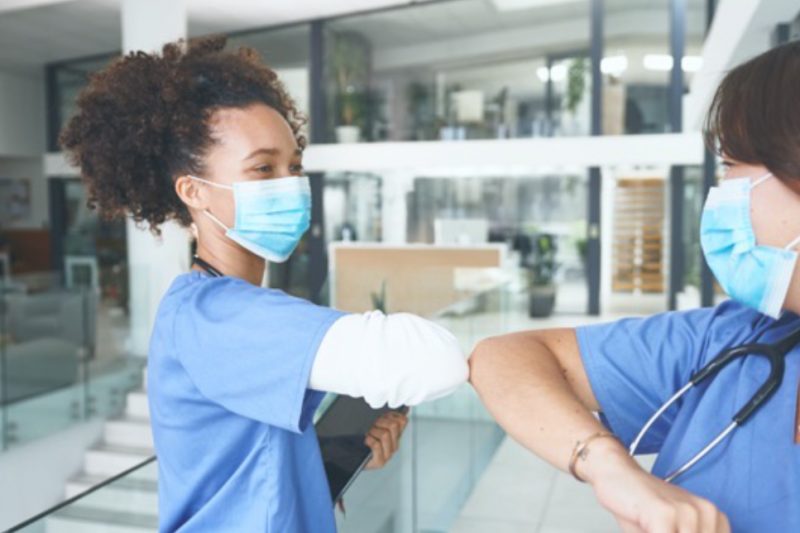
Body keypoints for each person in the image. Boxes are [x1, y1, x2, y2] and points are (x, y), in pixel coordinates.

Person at [60, 36, 468, 532]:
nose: (289, 183)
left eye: (294, 166)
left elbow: (252, 476)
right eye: (262, 168)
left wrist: (326, 461)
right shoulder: (215, 315)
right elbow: (433, 361)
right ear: (193, 192)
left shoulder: (236, 308)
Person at [469, 40, 800, 533]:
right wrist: (608, 465)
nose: (721, 191)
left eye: (731, 166)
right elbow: (501, 358)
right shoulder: (738, 339)